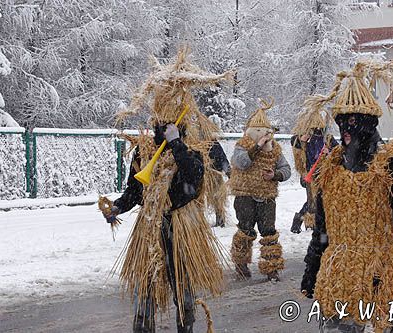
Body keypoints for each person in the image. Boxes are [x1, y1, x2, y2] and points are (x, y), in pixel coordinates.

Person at [102, 48, 234, 333]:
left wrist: (176, 145)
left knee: (183, 287)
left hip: (182, 227)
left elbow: (195, 178)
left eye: (169, 126)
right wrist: (117, 207)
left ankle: (185, 326)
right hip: (149, 227)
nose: (162, 129)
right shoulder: (144, 151)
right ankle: (142, 327)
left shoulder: (193, 150)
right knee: (144, 287)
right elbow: (135, 191)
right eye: (159, 126)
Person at [300, 59, 393, 332]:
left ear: (367, 123)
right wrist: (312, 265)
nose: (345, 131)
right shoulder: (332, 168)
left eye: (351, 123)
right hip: (339, 281)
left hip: (384, 282)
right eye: (341, 123)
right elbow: (324, 228)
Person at [228, 99, 291, 282]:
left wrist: (276, 175)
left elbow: (286, 170)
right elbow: (241, 163)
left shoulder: (275, 150)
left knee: (269, 232)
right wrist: (256, 147)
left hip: (267, 198)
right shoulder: (241, 146)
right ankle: (241, 264)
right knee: (245, 230)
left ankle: (272, 268)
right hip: (245, 196)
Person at [290, 107, 338, 233]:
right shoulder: (303, 138)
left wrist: (330, 152)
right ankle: (300, 220)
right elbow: (294, 143)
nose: (316, 130)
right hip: (310, 175)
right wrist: (301, 140)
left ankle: (313, 222)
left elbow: (338, 151)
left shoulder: (327, 139)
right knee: (312, 201)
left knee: (319, 199)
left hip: (325, 175)